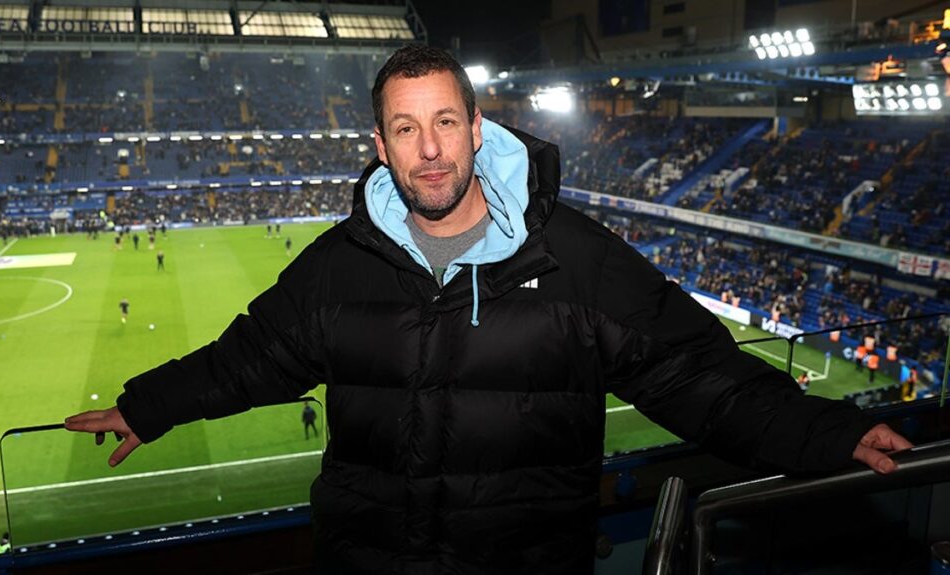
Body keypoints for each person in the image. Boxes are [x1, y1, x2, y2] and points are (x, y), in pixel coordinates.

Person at [65, 46, 911, 575]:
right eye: (404, 129)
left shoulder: (573, 257)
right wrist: (151, 403)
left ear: (477, 128)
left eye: (443, 122)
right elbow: (249, 355)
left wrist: (822, 432)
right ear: (380, 145)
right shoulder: (339, 266)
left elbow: (694, 372)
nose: (428, 149)